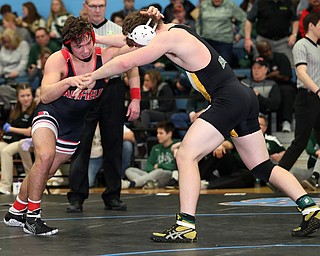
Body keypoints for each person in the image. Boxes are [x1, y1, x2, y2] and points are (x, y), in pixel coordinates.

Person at [82, 7, 320, 242]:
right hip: (241, 97)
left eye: (137, 39)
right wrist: (97, 38)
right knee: (261, 166)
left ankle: (185, 225)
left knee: (186, 155)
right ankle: (310, 208)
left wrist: (92, 76)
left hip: (227, 99)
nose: (135, 44)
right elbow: (126, 42)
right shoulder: (172, 31)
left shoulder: (169, 38)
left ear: (145, 33)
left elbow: (125, 61)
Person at [2, 16, 130, 236]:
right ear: (68, 45)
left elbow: (135, 43)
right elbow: (45, 95)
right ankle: (32, 218)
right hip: (49, 114)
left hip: (73, 124)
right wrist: (68, 81)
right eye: (77, 46)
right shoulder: (58, 60)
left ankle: (16, 211)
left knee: (44, 172)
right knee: (45, 157)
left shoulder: (104, 56)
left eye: (87, 42)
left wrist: (97, 37)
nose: (84, 50)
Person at [66, 0, 141, 214]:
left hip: (113, 88)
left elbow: (132, 66)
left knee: (113, 142)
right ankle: (77, 196)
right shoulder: (77, 30)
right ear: (85, 6)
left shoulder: (119, 32)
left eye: (101, 5)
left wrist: (135, 98)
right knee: (81, 141)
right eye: (93, 6)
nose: (97, 10)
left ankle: (113, 195)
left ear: (106, 6)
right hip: (85, 85)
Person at [278, 12, 320, 181]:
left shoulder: (318, 48)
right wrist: (317, 90)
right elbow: (301, 73)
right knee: (300, 141)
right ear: (311, 26)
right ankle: (278, 177)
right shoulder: (301, 45)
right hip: (307, 97)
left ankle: (316, 176)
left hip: (317, 96)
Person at [0, 83, 36, 195]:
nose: (26, 99)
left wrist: (11, 129)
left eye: (28, 95)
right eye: (22, 96)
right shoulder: (15, 110)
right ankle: (5, 183)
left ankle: (29, 183)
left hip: (30, 141)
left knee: (9, 150)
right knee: (1, 147)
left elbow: (30, 131)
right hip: (14, 140)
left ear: (32, 95)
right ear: (18, 97)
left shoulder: (35, 109)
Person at [122, 121, 180, 189]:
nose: (158, 135)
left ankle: (131, 184)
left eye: (161, 133)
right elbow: (148, 167)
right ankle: (149, 183)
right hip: (153, 175)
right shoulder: (155, 148)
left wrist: (159, 165)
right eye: (157, 133)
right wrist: (153, 171)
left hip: (167, 175)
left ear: (169, 134)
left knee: (159, 171)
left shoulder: (176, 146)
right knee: (129, 170)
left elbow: (174, 167)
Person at [256, 40, 296, 132]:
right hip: (266, 87)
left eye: (269, 49)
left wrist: (268, 75)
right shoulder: (259, 61)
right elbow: (257, 77)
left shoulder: (281, 57)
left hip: (283, 86)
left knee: (287, 91)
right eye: (265, 51)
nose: (268, 52)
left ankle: (286, 122)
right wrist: (274, 74)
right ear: (260, 52)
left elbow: (286, 76)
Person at [244, 0, 299, 68]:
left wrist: (294, 34)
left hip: (283, 41)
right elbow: (249, 21)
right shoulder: (259, 2)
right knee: (258, 66)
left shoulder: (288, 2)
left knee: (291, 66)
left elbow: (295, 20)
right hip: (263, 41)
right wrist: (247, 39)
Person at [196, 0, 247, 66]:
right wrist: (198, 36)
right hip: (207, 42)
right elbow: (198, 21)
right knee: (205, 67)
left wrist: (240, 34)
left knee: (224, 68)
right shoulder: (204, 4)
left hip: (224, 43)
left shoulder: (230, 5)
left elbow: (244, 19)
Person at [241, 57, 281, 125]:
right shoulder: (243, 83)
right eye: (254, 68)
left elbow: (275, 105)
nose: (256, 70)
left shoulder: (272, 84)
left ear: (266, 69)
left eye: (259, 68)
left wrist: (259, 97)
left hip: (264, 116)